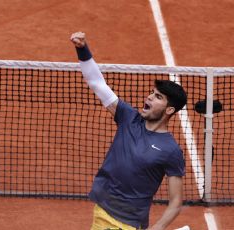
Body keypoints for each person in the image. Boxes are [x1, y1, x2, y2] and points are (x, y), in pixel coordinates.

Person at [70, 32, 187, 230]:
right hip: (103, 212)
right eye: (152, 93)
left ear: (169, 110)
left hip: (130, 223)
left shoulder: (171, 151)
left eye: (158, 97)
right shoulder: (128, 118)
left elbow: (176, 202)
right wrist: (82, 49)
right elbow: (97, 83)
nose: (149, 97)